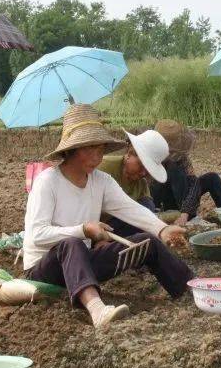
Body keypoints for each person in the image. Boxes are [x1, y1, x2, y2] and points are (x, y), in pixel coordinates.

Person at [23, 104, 193, 329]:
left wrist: (162, 229)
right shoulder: (48, 182)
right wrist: (84, 230)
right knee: (72, 244)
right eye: (89, 149)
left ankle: (191, 289)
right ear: (72, 149)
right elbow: (37, 236)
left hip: (81, 264)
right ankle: (97, 309)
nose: (96, 156)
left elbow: (130, 208)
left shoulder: (101, 181)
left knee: (147, 242)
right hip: (43, 270)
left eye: (100, 149)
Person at [150, 119, 221, 225]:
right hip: (160, 201)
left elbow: (193, 183)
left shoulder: (179, 156)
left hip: (182, 199)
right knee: (173, 170)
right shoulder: (148, 156)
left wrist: (186, 212)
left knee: (212, 178)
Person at [98, 129, 170, 237]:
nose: (143, 173)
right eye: (141, 166)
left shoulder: (142, 183)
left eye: (148, 170)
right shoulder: (103, 167)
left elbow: (146, 213)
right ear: (129, 153)